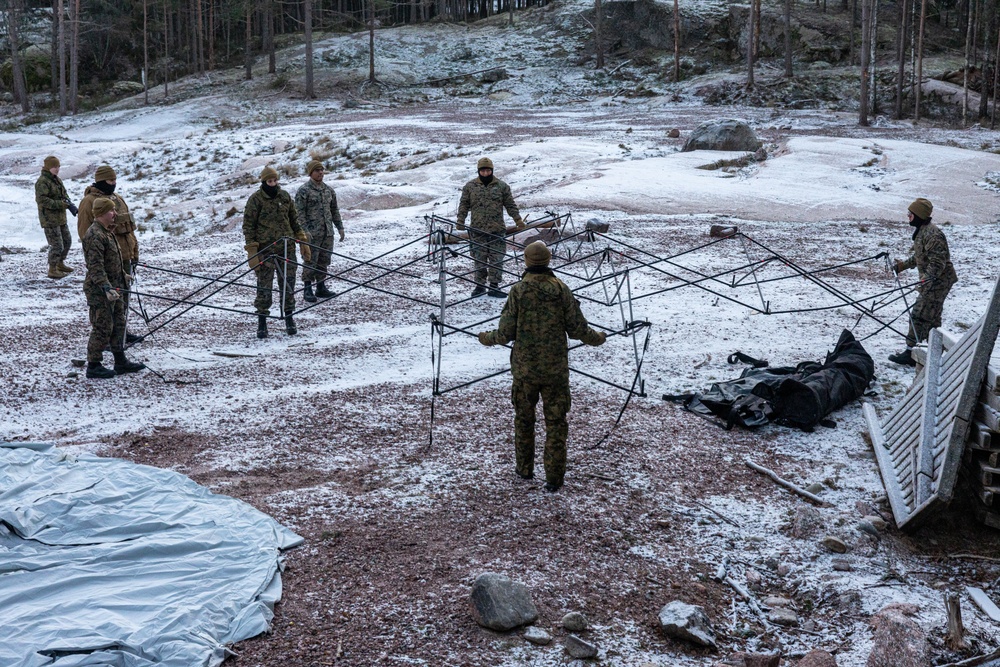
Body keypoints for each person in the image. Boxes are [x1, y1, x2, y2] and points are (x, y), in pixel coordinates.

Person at [477, 241, 606, 492]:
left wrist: (485, 337)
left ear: (527, 262)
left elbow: (504, 333)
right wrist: (598, 338)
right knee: (556, 424)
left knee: (524, 420)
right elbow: (579, 329)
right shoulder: (561, 290)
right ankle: (554, 479)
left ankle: (524, 469)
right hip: (555, 372)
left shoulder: (518, 291)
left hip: (525, 372)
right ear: (548, 261)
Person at [78, 164, 143, 345]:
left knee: (123, 297)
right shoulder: (89, 202)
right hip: (105, 260)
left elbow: (129, 228)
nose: (114, 183)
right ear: (100, 181)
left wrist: (134, 251)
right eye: (110, 180)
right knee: (105, 301)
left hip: (124, 257)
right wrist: (95, 260)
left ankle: (120, 332)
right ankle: (103, 336)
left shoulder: (118, 199)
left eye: (115, 180)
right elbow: (85, 233)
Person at [81, 197, 146, 379]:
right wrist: (105, 287)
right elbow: (95, 267)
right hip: (100, 290)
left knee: (119, 323)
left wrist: (122, 275)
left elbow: (111, 260)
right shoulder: (94, 235)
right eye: (111, 211)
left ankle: (120, 361)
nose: (115, 214)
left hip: (115, 287)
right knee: (103, 326)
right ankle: (94, 365)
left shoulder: (107, 232)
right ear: (101, 214)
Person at [889, 198, 959, 366]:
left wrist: (925, 282)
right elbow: (920, 257)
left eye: (910, 214)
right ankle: (932, 351)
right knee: (932, 318)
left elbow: (937, 263)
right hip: (933, 282)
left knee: (919, 315)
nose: (908, 217)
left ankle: (911, 353)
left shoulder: (933, 235)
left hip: (938, 282)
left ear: (918, 215)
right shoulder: (922, 232)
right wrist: (902, 266)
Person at [244, 165, 310, 339]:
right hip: (265, 250)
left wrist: (302, 239)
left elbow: (294, 219)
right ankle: (262, 323)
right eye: (269, 181)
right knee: (264, 286)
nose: (273, 183)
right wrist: (252, 250)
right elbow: (249, 226)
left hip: (287, 248)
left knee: (288, 284)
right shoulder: (256, 200)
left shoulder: (285, 196)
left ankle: (289, 318)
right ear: (264, 181)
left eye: (275, 180)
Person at [457, 157, 525, 298]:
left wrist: (518, 220)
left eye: (488, 170)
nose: (486, 173)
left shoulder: (502, 186)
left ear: (492, 170)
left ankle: (494, 286)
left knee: (497, 259)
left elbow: (510, 205)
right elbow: (464, 204)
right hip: (477, 230)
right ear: (479, 171)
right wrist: (460, 220)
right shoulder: (470, 187)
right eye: (483, 170)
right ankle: (479, 286)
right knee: (479, 259)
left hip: (497, 230)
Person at [294, 159, 344, 303]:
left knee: (324, 260)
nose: (320, 173)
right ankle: (307, 289)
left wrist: (340, 227)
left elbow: (334, 210)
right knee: (310, 260)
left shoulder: (328, 190)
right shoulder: (304, 191)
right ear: (311, 173)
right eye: (317, 170)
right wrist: (304, 231)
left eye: (322, 170)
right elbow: (299, 213)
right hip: (311, 233)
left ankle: (321, 287)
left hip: (327, 233)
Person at [35, 155, 77, 279]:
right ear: (48, 167)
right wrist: (60, 204)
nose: (57, 169)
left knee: (67, 241)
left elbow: (64, 194)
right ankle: (52, 269)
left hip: (60, 217)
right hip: (49, 219)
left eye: (58, 166)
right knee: (57, 245)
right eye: (54, 167)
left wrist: (69, 204)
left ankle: (60, 263)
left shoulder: (57, 180)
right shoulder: (42, 182)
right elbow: (42, 200)